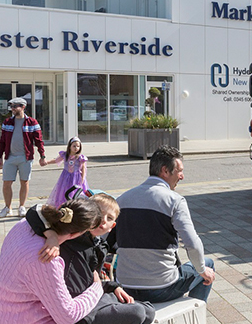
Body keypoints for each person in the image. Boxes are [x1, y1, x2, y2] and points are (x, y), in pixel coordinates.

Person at [27, 195, 156, 324]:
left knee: (149, 311)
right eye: (99, 214)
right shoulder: (71, 236)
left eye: (109, 218)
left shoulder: (100, 246)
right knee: (137, 313)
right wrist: (52, 236)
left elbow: (89, 280)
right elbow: (35, 211)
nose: (103, 220)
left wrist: (112, 287)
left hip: (93, 298)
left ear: (112, 226)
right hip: (79, 309)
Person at [111, 145, 215, 303]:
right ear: (165, 171)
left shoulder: (121, 200)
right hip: (161, 287)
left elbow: (105, 240)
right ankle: (195, 313)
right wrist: (201, 270)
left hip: (124, 287)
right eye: (179, 171)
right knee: (208, 264)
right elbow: (192, 244)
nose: (182, 176)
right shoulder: (175, 201)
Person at [0, 199, 104, 324]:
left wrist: (51, 235)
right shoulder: (47, 258)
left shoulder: (24, 225)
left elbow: (37, 209)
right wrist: (97, 288)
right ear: (75, 234)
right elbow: (68, 316)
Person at [0, 97, 47, 218]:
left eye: (15, 106)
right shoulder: (7, 122)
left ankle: (21, 207)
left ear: (23, 107)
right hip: (10, 157)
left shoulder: (33, 123)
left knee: (24, 182)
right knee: (6, 183)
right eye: (11, 106)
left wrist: (42, 156)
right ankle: (7, 208)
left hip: (26, 157)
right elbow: (2, 141)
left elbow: (39, 141)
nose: (12, 109)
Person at [49, 137, 90, 205]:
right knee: (63, 190)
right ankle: (63, 203)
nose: (76, 148)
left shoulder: (80, 157)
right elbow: (57, 160)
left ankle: (74, 204)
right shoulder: (65, 155)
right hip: (65, 176)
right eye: (74, 146)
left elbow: (83, 168)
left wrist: (82, 178)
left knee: (75, 191)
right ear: (69, 146)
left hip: (76, 177)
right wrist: (47, 162)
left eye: (78, 146)